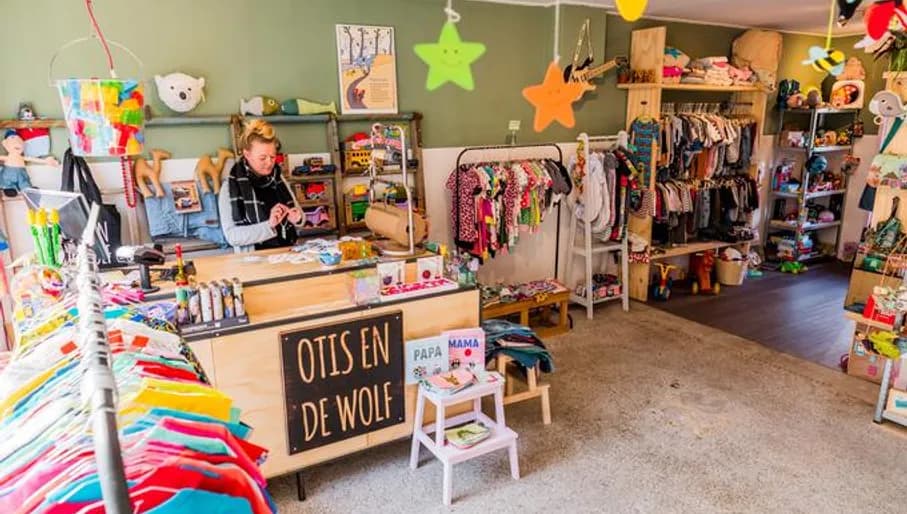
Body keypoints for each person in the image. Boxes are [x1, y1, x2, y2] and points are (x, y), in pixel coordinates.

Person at [219, 120, 303, 250]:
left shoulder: (278, 178)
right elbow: (232, 236)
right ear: (247, 154)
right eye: (262, 158)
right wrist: (269, 225)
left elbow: (300, 215)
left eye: (273, 157)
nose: (269, 163)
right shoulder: (230, 187)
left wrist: (297, 218)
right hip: (254, 262)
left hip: (288, 253)